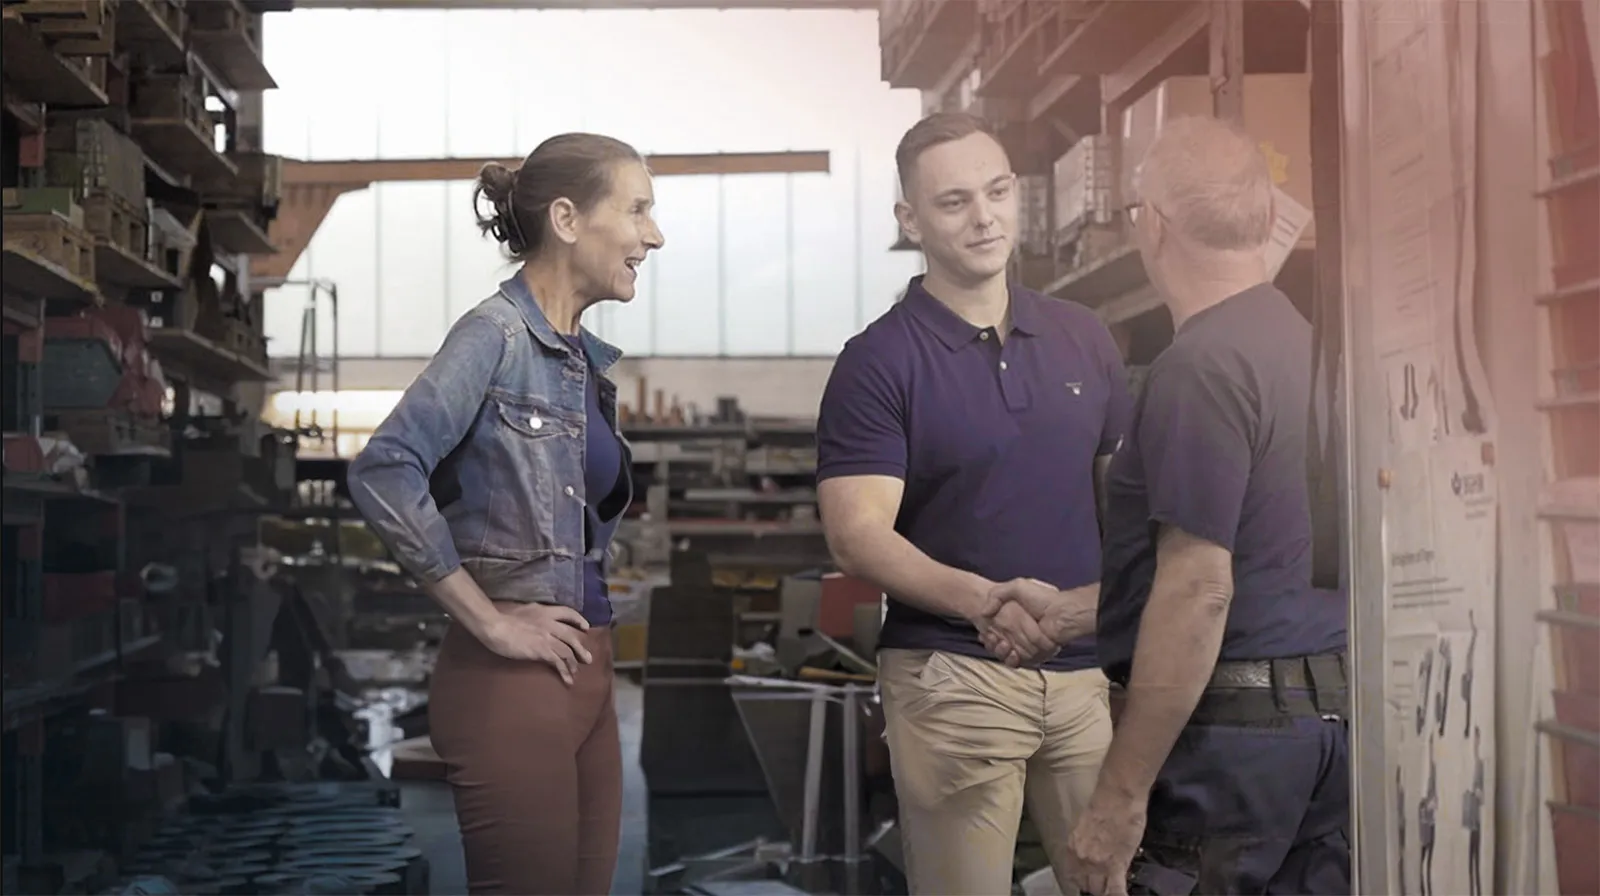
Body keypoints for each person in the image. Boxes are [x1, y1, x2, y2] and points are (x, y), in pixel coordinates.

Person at [986, 115, 1350, 895]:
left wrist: (1118, 797)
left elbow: (1200, 587)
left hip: (1233, 752)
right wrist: (1080, 610)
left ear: (1152, 225)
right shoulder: (1309, 348)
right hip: (1325, 736)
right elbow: (1269, 561)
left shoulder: (1202, 366)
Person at [815, 111, 1132, 896]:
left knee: (1104, 883)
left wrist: (1089, 616)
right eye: (954, 201)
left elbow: (1121, 502)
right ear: (909, 219)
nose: (985, 216)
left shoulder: (1084, 338)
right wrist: (987, 602)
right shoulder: (879, 362)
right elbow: (857, 537)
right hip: (954, 673)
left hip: (1085, 673)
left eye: (997, 192)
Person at [345, 133, 664, 895]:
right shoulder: (494, 335)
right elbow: (385, 469)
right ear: (567, 218)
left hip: (587, 673)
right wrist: (488, 619)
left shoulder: (584, 360)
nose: (654, 235)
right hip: (511, 683)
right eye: (638, 210)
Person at [1463, 726, 1484, 896]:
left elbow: (1481, 795)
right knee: (1471, 862)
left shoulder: (1480, 765)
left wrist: (1477, 794)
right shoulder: (1474, 764)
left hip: (1477, 822)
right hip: (1473, 822)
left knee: (1475, 861)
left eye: (1476, 739)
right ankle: (1472, 891)